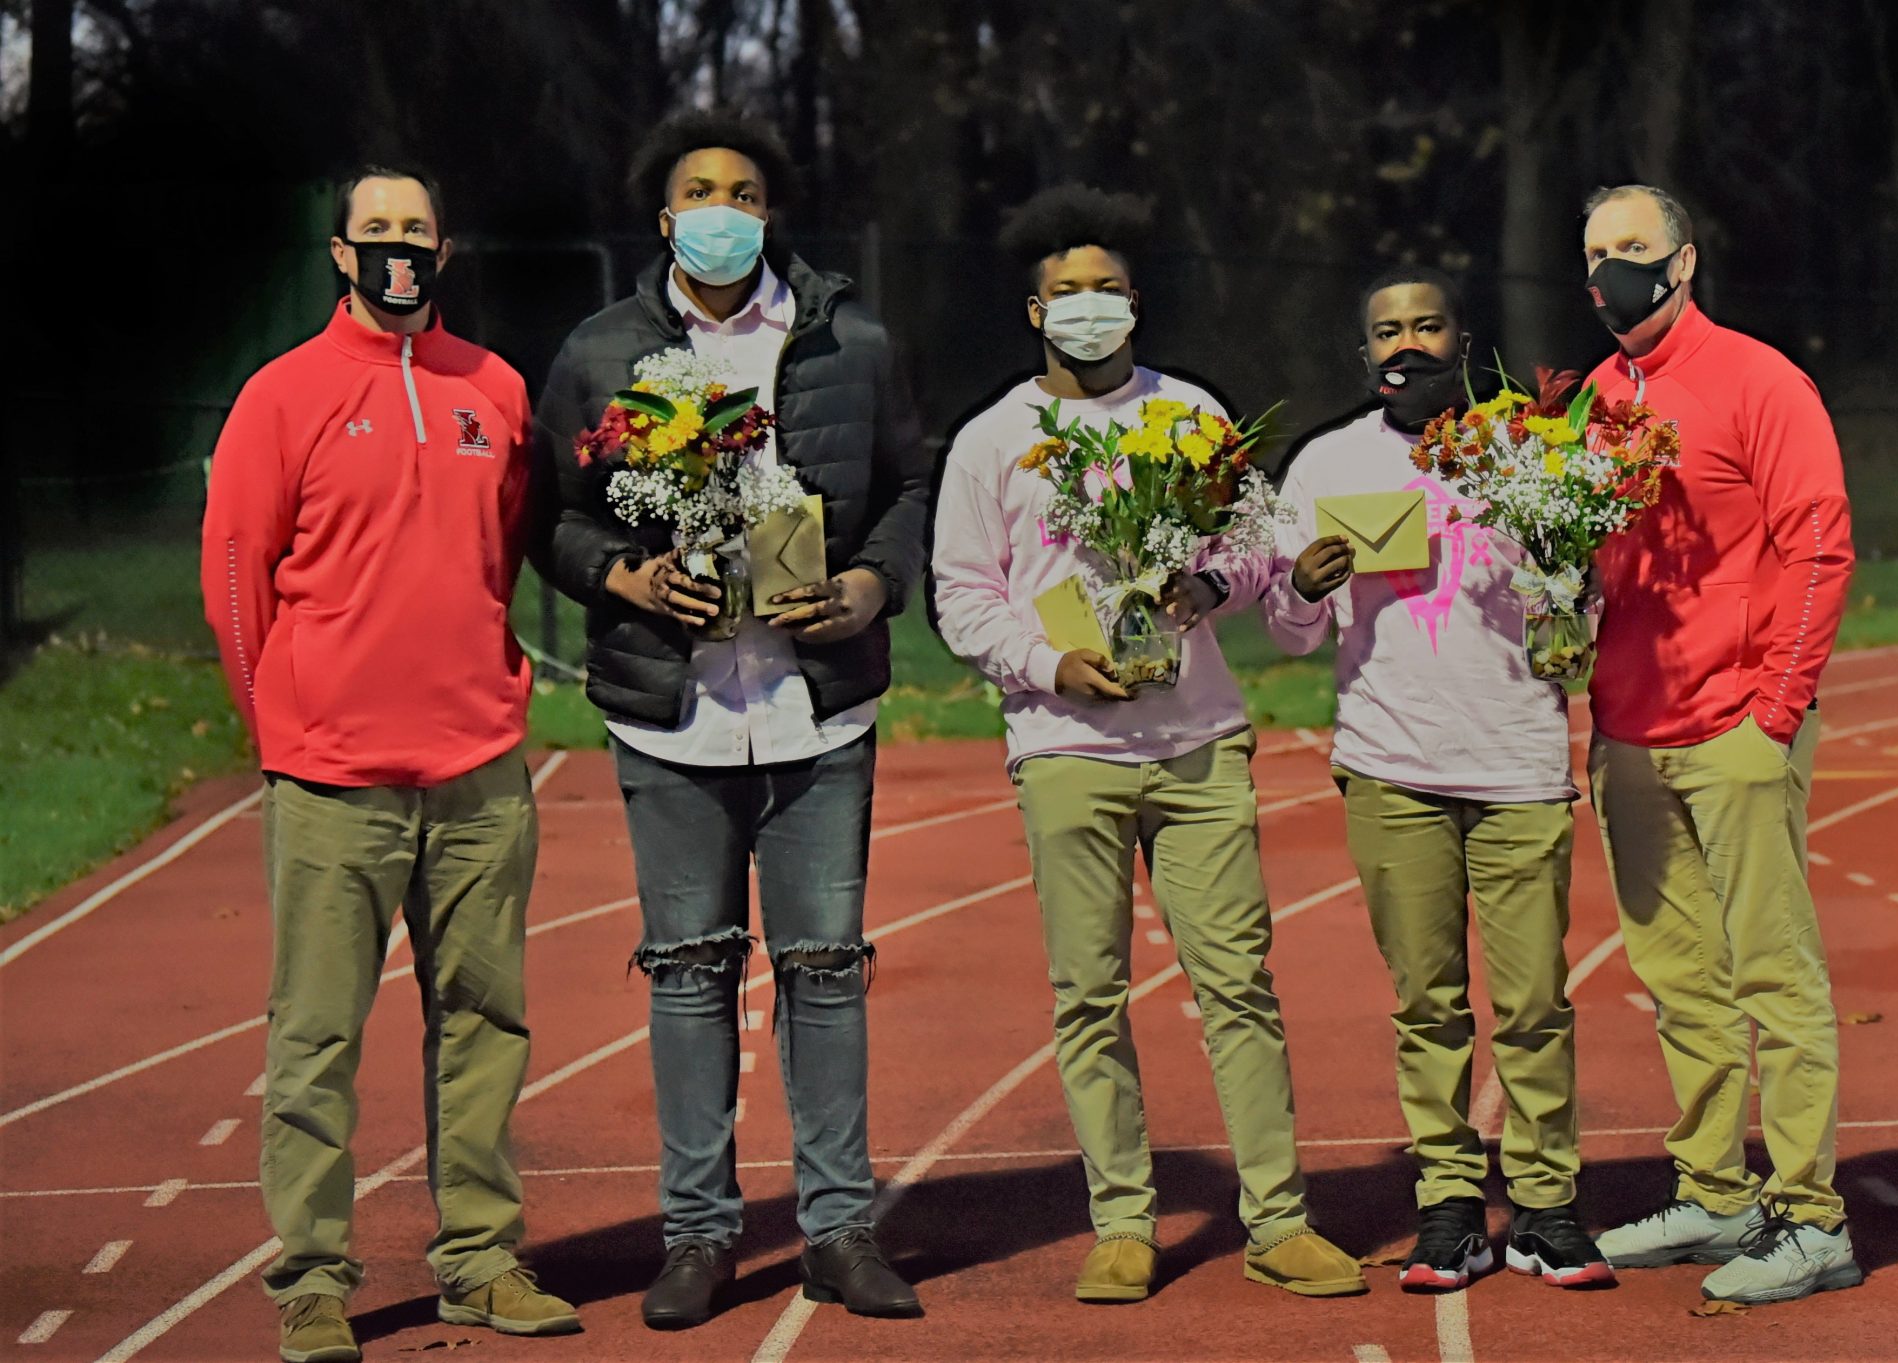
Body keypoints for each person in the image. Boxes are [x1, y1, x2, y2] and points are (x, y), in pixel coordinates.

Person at [528, 112, 928, 1328]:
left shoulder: (850, 341)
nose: (720, 209)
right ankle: (698, 1234)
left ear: (771, 215)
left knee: (824, 973)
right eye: (698, 191)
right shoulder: (599, 352)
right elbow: (550, 514)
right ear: (662, 220)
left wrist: (866, 587)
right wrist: (624, 578)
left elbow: (909, 482)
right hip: (671, 713)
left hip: (815, 709)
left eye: (742, 192)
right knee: (690, 978)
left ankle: (838, 1227)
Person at [930, 184, 1363, 1304]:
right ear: (1033, 312)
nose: (1088, 308)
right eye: (1065, 293)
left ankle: (1276, 1216)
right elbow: (960, 597)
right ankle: (1121, 1219)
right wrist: (1048, 663)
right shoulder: (992, 440)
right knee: (1088, 992)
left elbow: (1262, 551)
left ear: (1137, 302)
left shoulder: (1193, 415)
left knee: (1239, 986)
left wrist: (1212, 580)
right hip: (1065, 743)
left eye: (1107, 290)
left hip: (1197, 741)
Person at [202, 165, 579, 1363]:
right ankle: (313, 1280)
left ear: (445, 248)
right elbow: (233, 575)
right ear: (339, 250)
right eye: (377, 231)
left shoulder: (496, 388)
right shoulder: (281, 394)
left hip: (477, 771)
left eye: (416, 230)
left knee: (485, 1020)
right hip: (333, 778)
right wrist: (280, 729)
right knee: (315, 1036)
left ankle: (480, 1259)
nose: (397, 248)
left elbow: (513, 542)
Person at [1263, 267, 1611, 1292]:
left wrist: (1568, 585)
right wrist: (1300, 584)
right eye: (1384, 331)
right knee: (1427, 1004)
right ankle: (1449, 1202)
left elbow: (1583, 602)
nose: (1403, 343)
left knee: (1536, 1001)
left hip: (1515, 759)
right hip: (1390, 765)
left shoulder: (1530, 446)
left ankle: (1545, 1203)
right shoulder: (1324, 462)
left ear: (1462, 339)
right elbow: (1286, 635)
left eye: (1424, 324)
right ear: (1362, 354)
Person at [1577, 184, 1860, 1305]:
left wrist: (1772, 713)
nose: (1611, 272)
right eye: (1594, 253)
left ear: (1682, 261)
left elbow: (1816, 545)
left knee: (1771, 976)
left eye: (1632, 249)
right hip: (1627, 733)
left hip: (1737, 728)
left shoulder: (1757, 379)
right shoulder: (1593, 400)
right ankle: (1713, 1191)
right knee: (1677, 980)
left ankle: (1808, 1216)